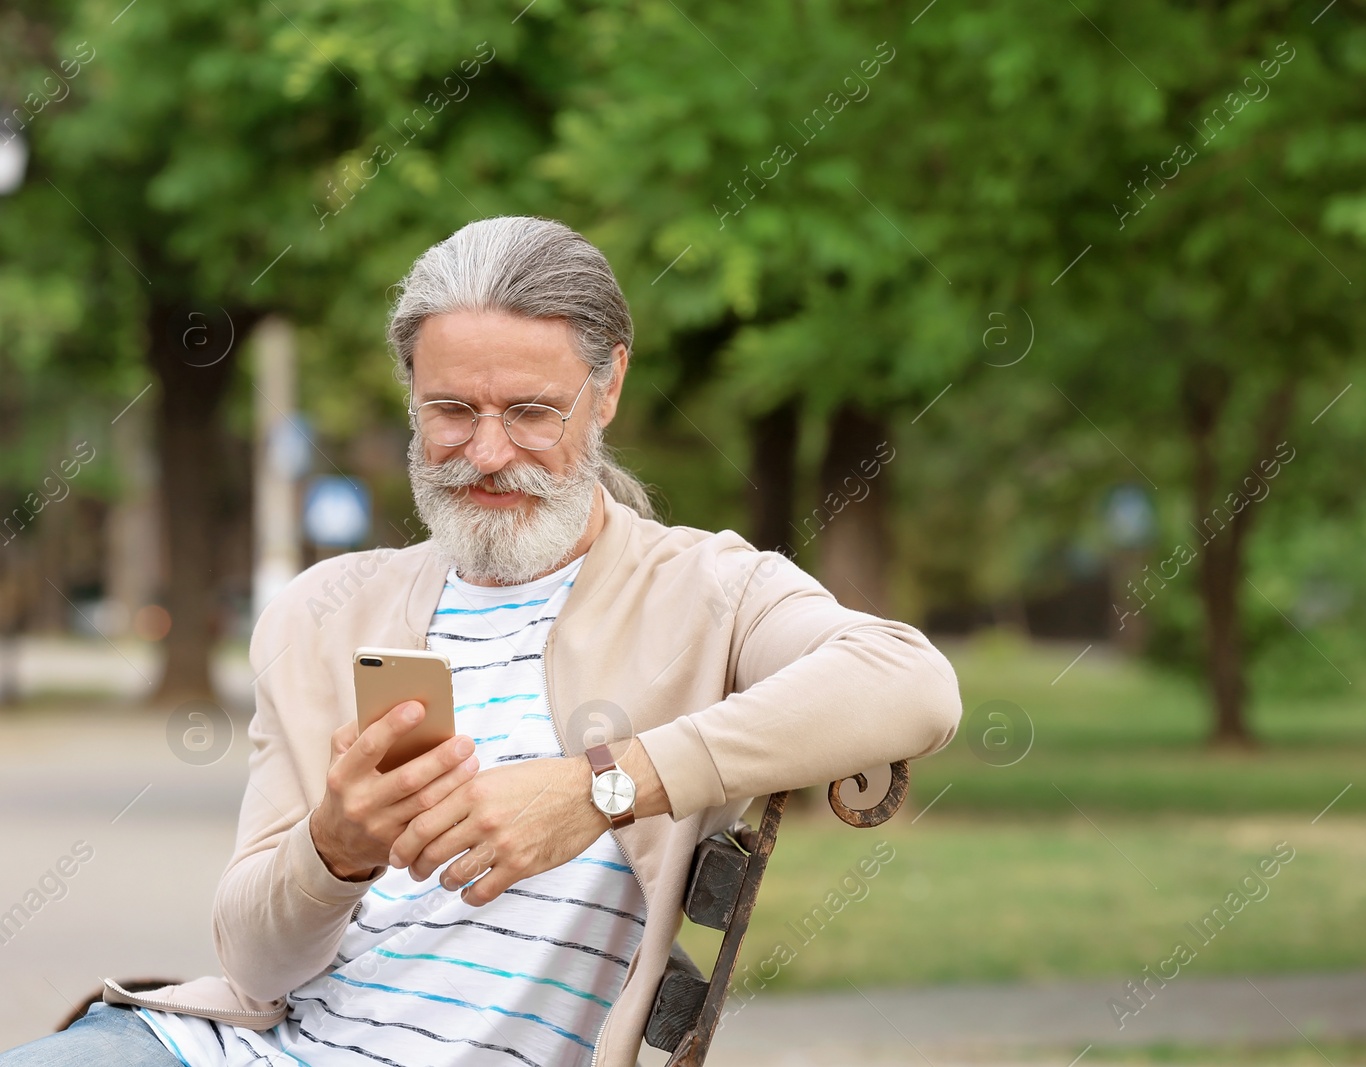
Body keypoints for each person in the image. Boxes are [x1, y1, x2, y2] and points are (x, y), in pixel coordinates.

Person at [0, 216, 962, 1067]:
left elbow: (912, 685)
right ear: (410, 391)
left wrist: (596, 788)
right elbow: (254, 965)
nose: (488, 452)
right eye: (451, 410)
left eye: (531, 413)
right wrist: (329, 851)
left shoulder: (705, 588)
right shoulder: (321, 610)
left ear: (609, 385)